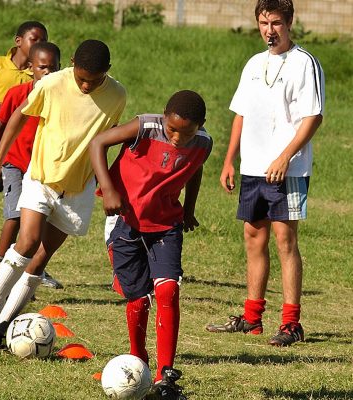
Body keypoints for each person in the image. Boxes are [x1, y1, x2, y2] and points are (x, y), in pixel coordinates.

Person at [0, 39, 126, 347]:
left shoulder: (117, 95)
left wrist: (110, 183)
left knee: (40, 260)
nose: (85, 85)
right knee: (26, 241)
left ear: (106, 72)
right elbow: (17, 116)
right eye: (81, 78)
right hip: (41, 176)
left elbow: (109, 138)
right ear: (71, 64)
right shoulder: (53, 83)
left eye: (93, 81)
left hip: (79, 188)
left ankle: (0, 329)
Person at [206, 0, 325, 346]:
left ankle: (291, 323)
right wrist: (229, 160)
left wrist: (286, 156)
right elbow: (241, 113)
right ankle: (252, 317)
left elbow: (313, 117)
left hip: (287, 169)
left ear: (289, 23)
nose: (269, 30)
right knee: (252, 238)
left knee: (285, 241)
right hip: (253, 169)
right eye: (263, 22)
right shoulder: (254, 64)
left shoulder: (305, 63)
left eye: (275, 23)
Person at [90, 90, 212, 400]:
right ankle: (138, 360)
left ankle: (165, 377)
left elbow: (193, 170)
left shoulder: (203, 144)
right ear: (164, 117)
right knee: (138, 299)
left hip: (166, 225)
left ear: (200, 126)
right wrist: (107, 187)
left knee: (168, 290)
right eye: (172, 129)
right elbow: (98, 143)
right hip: (125, 221)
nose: (176, 138)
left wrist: (189, 208)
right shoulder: (144, 127)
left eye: (186, 132)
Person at [0, 21, 48, 275]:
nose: (38, 45)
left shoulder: (38, 77)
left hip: (24, 156)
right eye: (34, 39)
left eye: (43, 40)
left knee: (21, 214)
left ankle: (16, 262)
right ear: (18, 41)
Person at [0, 41, 63, 291]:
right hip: (15, 164)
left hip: (42, 168)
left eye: (53, 68)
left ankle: (29, 270)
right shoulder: (17, 94)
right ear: (31, 68)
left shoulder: (62, 98)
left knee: (37, 221)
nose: (48, 73)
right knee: (16, 216)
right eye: (43, 68)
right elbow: (1, 126)